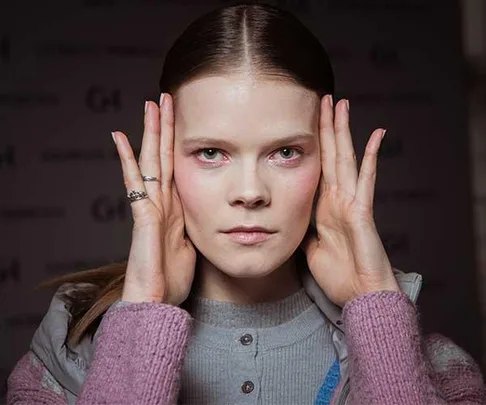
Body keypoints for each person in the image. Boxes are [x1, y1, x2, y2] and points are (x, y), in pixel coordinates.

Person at [6, 3, 486, 405]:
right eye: (211, 153)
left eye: (285, 152)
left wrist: (377, 303)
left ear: (330, 159)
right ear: (165, 158)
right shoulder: (63, 360)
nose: (251, 191)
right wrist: (142, 314)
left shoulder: (440, 371)